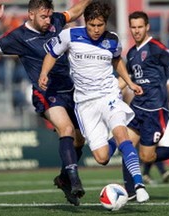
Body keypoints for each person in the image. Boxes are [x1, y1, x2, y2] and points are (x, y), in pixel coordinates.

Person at [0, 0, 92, 206]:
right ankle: (75, 181)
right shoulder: (19, 36)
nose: (48, 20)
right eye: (43, 16)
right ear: (31, 15)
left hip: (70, 89)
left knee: (79, 141)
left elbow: (75, 11)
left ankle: (63, 178)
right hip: (46, 92)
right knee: (66, 129)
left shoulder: (55, 21)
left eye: (49, 15)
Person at [38, 1, 149, 203]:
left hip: (109, 95)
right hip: (85, 103)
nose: (96, 30)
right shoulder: (69, 35)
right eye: (92, 25)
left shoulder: (113, 40)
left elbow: (117, 61)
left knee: (121, 132)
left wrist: (130, 82)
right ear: (85, 21)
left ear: (105, 23)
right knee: (102, 158)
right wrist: (44, 73)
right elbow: (51, 54)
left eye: (100, 25)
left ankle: (139, 184)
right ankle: (121, 141)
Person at [120, 11, 169, 199]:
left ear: (147, 27)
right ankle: (130, 191)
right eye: (133, 27)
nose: (136, 31)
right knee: (125, 145)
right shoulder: (131, 53)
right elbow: (127, 79)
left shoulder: (156, 47)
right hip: (137, 107)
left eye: (140, 27)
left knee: (147, 157)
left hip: (155, 110)